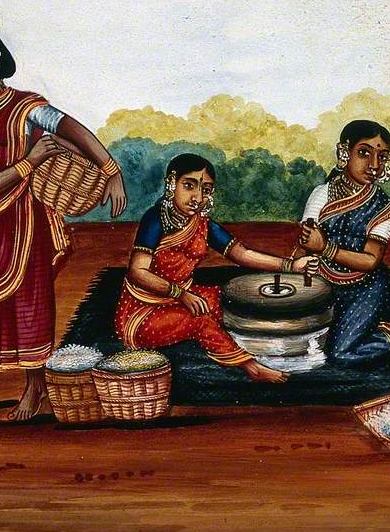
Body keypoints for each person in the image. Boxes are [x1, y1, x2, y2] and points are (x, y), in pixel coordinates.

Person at [0, 27, 128, 420]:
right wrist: (29, 162)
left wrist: (109, 169)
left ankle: (34, 389)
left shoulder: (27, 108)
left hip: (25, 221)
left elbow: (71, 128)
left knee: (29, 301)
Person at [115, 153, 317, 383]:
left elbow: (241, 254)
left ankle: (262, 345)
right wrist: (180, 294)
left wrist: (291, 265)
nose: (197, 197)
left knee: (229, 299)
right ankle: (250, 366)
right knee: (200, 319)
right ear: (172, 183)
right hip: (143, 312)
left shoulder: (201, 223)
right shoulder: (155, 219)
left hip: (183, 297)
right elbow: (137, 272)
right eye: (189, 186)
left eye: (206, 190)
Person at [293, 120, 390, 365]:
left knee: (341, 354)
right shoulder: (322, 193)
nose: (374, 165)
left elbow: (370, 260)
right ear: (345, 152)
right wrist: (300, 261)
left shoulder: (385, 207)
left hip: (363, 288)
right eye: (364, 153)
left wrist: (324, 248)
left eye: (382, 157)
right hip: (322, 281)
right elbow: (306, 243)